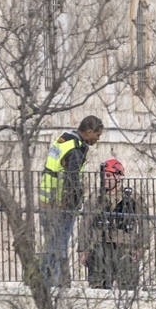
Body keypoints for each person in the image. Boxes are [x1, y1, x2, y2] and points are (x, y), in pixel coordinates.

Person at [39, 115, 103, 286]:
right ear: (89, 132)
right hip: (61, 206)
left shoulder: (62, 140)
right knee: (58, 247)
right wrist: (74, 204)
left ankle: (50, 282)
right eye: (97, 135)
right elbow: (71, 180)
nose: (98, 139)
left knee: (50, 246)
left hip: (46, 202)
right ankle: (51, 284)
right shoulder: (76, 149)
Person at [78, 158, 144, 289]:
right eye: (103, 175)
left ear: (118, 176)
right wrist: (83, 249)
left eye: (108, 175)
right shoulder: (95, 197)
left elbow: (145, 223)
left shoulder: (132, 198)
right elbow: (85, 224)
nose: (105, 179)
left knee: (128, 286)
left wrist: (141, 246)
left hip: (125, 246)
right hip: (99, 246)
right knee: (98, 285)